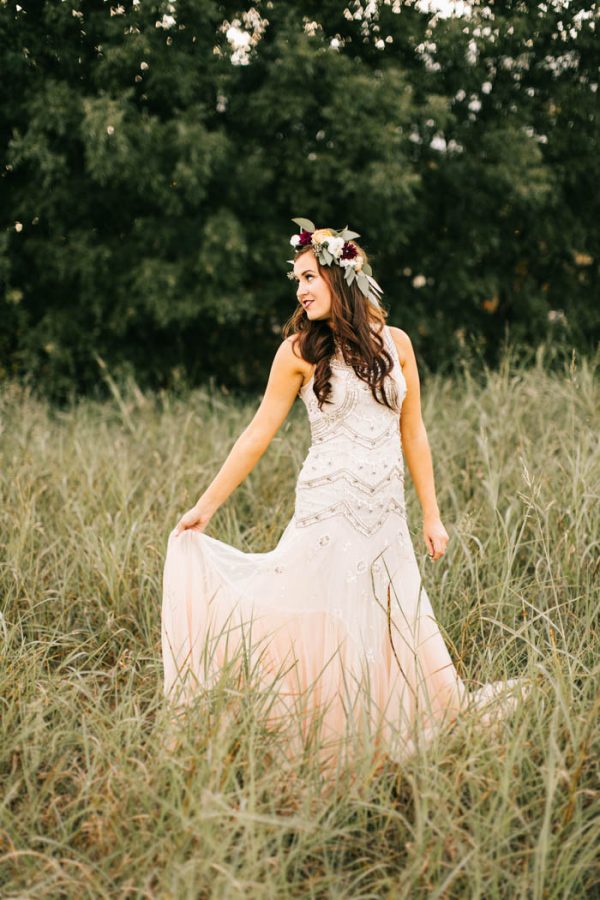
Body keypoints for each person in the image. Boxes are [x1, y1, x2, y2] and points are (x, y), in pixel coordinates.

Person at [162, 218, 528, 774]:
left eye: (310, 276)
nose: (301, 289)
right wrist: (205, 506)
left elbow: (415, 432)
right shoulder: (297, 351)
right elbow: (257, 432)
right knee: (322, 618)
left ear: (342, 273)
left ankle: (383, 730)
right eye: (297, 280)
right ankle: (324, 737)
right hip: (327, 509)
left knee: (389, 619)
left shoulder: (396, 344)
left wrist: (432, 515)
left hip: (386, 515)